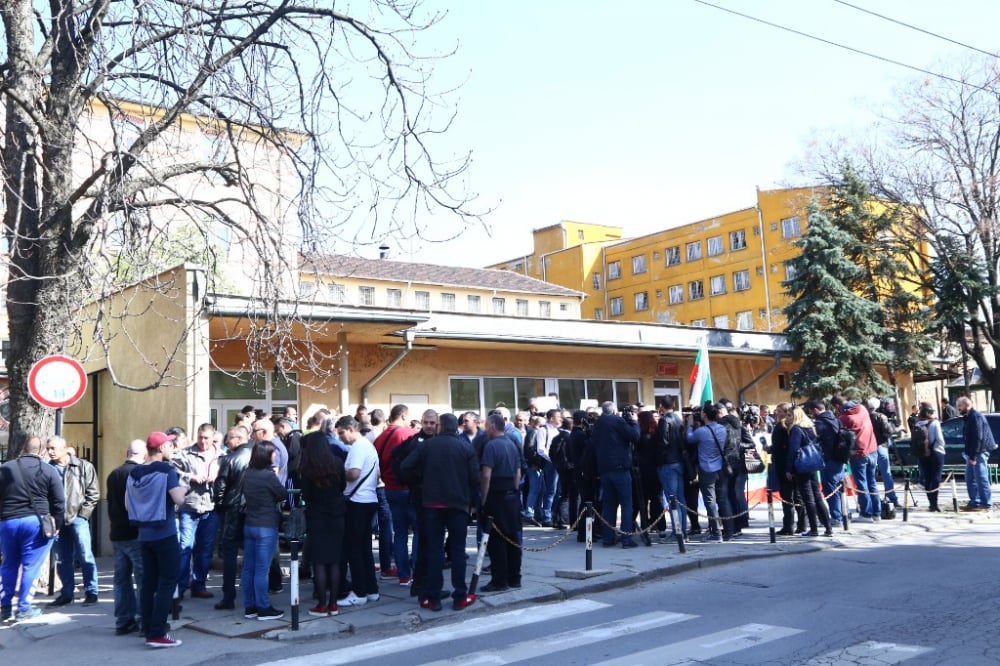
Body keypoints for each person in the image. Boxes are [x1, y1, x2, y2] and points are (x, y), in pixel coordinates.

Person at [400, 412, 478, 612]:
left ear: (440, 427)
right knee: (458, 551)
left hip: (432, 504)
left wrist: (421, 481)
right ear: (456, 427)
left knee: (435, 551)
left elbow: (405, 467)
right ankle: (460, 595)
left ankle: (432, 597)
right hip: (458, 505)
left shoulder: (426, 446)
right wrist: (473, 503)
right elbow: (474, 478)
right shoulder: (465, 447)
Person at [127, 431, 187, 648]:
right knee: (168, 582)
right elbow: (178, 499)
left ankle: (147, 627)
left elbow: (127, 504)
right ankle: (158, 633)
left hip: (144, 535)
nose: (172, 449)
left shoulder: (135, 473)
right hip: (165, 532)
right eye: (169, 446)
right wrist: (185, 491)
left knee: (148, 583)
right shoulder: (167, 470)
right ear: (161, 449)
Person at [0, 436, 65, 622]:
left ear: (22, 448)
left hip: (8, 521)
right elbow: (59, 502)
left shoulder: (5, 468)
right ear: (42, 451)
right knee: (31, 566)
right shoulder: (48, 470)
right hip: (36, 522)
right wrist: (57, 524)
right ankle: (23, 608)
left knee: (8, 564)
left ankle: (5, 606)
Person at [46, 435, 100, 607]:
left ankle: (91, 591)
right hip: (57, 521)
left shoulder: (83, 466)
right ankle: (67, 593)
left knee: (85, 555)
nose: (50, 451)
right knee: (62, 558)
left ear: (64, 448)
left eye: (53, 448)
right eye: (48, 448)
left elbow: (93, 493)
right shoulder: (47, 469)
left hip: (78, 518)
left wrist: (83, 515)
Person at [299, 429, 347, 616]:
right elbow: (342, 486)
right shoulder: (337, 463)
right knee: (334, 561)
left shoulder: (307, 468)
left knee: (319, 562)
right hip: (336, 515)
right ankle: (334, 604)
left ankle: (322, 603)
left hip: (317, 517)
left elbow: (306, 495)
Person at [334, 416, 381, 607]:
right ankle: (371, 590)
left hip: (357, 501)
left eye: (342, 433)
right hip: (368, 499)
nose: (341, 438)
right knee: (364, 549)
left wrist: (337, 473)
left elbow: (353, 473)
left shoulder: (358, 447)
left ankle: (359, 592)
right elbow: (377, 474)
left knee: (354, 549)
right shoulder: (368, 446)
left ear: (351, 429)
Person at [373, 404, 419, 588]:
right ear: (403, 416)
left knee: (399, 533)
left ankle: (403, 575)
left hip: (389, 488)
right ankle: (416, 570)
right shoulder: (407, 433)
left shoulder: (380, 437)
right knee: (418, 530)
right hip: (408, 488)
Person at [240, 440, 287, 621]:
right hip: (266, 525)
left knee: (249, 568)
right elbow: (282, 494)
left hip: (250, 524)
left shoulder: (248, 473)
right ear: (266, 455)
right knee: (262, 569)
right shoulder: (268, 476)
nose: (275, 456)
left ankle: (250, 606)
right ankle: (263, 607)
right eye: (273, 453)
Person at [173, 423, 220, 600]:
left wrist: (218, 478)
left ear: (212, 437)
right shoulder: (186, 453)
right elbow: (173, 470)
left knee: (205, 550)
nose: (202, 441)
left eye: (206, 438)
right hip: (190, 506)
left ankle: (199, 585)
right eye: (200, 437)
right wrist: (190, 477)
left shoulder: (221, 455)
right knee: (185, 548)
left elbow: (228, 475)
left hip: (211, 506)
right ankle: (180, 587)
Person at [106, 439, 147, 635]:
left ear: (127, 452)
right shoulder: (139, 473)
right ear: (144, 454)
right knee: (142, 577)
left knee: (121, 579)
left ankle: (123, 620)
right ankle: (142, 617)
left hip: (117, 532)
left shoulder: (114, 473)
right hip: (134, 532)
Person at [479, 412, 523, 592]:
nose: (484, 429)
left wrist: (483, 499)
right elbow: (518, 472)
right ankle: (515, 577)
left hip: (496, 494)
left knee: (496, 539)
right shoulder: (512, 443)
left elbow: (486, 475)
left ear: (492, 426)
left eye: (486, 426)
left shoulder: (491, 446)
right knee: (512, 537)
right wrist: (513, 490)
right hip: (511, 494)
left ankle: (499, 580)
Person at [212, 425, 251, 611]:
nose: (227, 442)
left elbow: (220, 487)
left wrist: (218, 506)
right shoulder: (257, 455)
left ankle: (228, 596)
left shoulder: (229, 459)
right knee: (253, 552)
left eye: (229, 438)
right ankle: (255, 592)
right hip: (251, 509)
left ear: (237, 439)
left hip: (232, 510)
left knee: (229, 555)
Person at [592, 401, 640, 548]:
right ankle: (626, 539)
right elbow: (634, 436)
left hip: (604, 469)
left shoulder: (598, 423)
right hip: (620, 468)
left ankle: (608, 538)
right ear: (613, 411)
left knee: (609, 505)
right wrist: (633, 421)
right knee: (626, 504)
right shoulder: (617, 421)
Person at [686, 403, 735, 541]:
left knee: (710, 501)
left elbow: (689, 439)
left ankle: (716, 532)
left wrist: (690, 425)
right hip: (721, 468)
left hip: (706, 469)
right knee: (723, 500)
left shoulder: (702, 431)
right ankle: (729, 531)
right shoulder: (722, 429)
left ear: (705, 415)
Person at [783, 406, 832, 537]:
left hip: (802, 465)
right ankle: (828, 527)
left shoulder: (796, 429)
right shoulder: (810, 427)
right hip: (813, 463)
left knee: (808, 499)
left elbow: (793, 450)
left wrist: (788, 469)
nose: (786, 418)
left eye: (789, 415)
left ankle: (814, 529)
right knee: (817, 496)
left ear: (796, 416)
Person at [832, 395, 881, 522]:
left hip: (859, 454)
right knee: (872, 482)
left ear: (837, 406)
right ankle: (877, 513)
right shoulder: (863, 409)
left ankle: (866, 514)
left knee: (862, 484)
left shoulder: (844, 418)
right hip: (873, 449)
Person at [805, 399, 845, 526]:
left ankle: (836, 517)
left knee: (830, 488)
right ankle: (843, 514)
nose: (811, 414)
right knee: (838, 487)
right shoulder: (836, 419)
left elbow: (812, 438)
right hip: (839, 457)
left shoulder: (820, 423)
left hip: (828, 459)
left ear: (815, 410)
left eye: (811, 412)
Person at [767, 403, 804, 535]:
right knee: (797, 496)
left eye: (780, 411)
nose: (777, 414)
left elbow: (778, 446)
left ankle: (788, 526)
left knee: (787, 497)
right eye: (776, 411)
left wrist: (769, 449)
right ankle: (801, 524)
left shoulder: (781, 426)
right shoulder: (794, 426)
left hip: (784, 465)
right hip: (794, 465)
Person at [655, 397, 688, 538]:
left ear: (661, 405)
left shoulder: (664, 420)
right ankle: (683, 530)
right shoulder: (678, 419)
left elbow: (663, 442)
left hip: (668, 463)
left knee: (673, 498)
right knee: (680, 498)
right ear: (673, 405)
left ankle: (678, 532)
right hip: (679, 461)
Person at [956, 396, 994, 511]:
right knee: (970, 478)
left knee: (981, 478)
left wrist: (973, 455)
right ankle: (975, 502)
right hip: (972, 452)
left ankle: (986, 504)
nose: (958, 409)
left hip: (979, 452)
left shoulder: (975, 416)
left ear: (967, 405)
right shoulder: (968, 417)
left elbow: (978, 437)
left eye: (960, 406)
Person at [867, 398, 899, 511]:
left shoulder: (865, 417)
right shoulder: (881, 417)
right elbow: (889, 431)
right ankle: (892, 498)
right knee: (886, 473)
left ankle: (873, 500)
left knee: (871, 475)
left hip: (869, 447)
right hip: (880, 446)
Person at [914, 402, 945, 512]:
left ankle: (930, 504)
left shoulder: (917, 424)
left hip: (923, 453)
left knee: (927, 478)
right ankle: (935, 503)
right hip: (936, 452)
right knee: (936, 478)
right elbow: (940, 439)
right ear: (930, 413)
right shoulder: (935, 423)